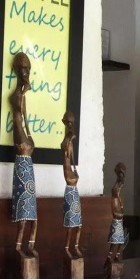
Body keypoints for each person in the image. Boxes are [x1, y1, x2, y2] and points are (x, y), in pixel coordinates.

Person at [10, 52, 37, 256]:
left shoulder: (22, 94)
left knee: (32, 214)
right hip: (21, 150)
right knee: (23, 211)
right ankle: (19, 246)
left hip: (26, 157)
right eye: (22, 70)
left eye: (27, 69)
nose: (25, 73)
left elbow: (26, 118)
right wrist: (24, 88)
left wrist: (30, 135)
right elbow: (19, 111)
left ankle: (29, 246)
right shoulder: (17, 94)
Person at [62, 110, 82, 258]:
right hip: (70, 188)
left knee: (78, 225)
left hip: (74, 190)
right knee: (70, 225)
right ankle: (67, 248)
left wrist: (75, 170)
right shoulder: (66, 141)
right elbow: (66, 154)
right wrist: (69, 137)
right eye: (68, 123)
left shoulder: (69, 141)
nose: (71, 126)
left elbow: (72, 159)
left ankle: (75, 246)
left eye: (72, 123)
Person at [107, 162, 128, 267]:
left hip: (119, 222)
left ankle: (114, 257)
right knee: (115, 243)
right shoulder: (115, 198)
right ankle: (110, 258)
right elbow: (116, 213)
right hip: (117, 222)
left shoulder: (118, 198)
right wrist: (121, 213)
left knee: (120, 242)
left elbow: (119, 184)